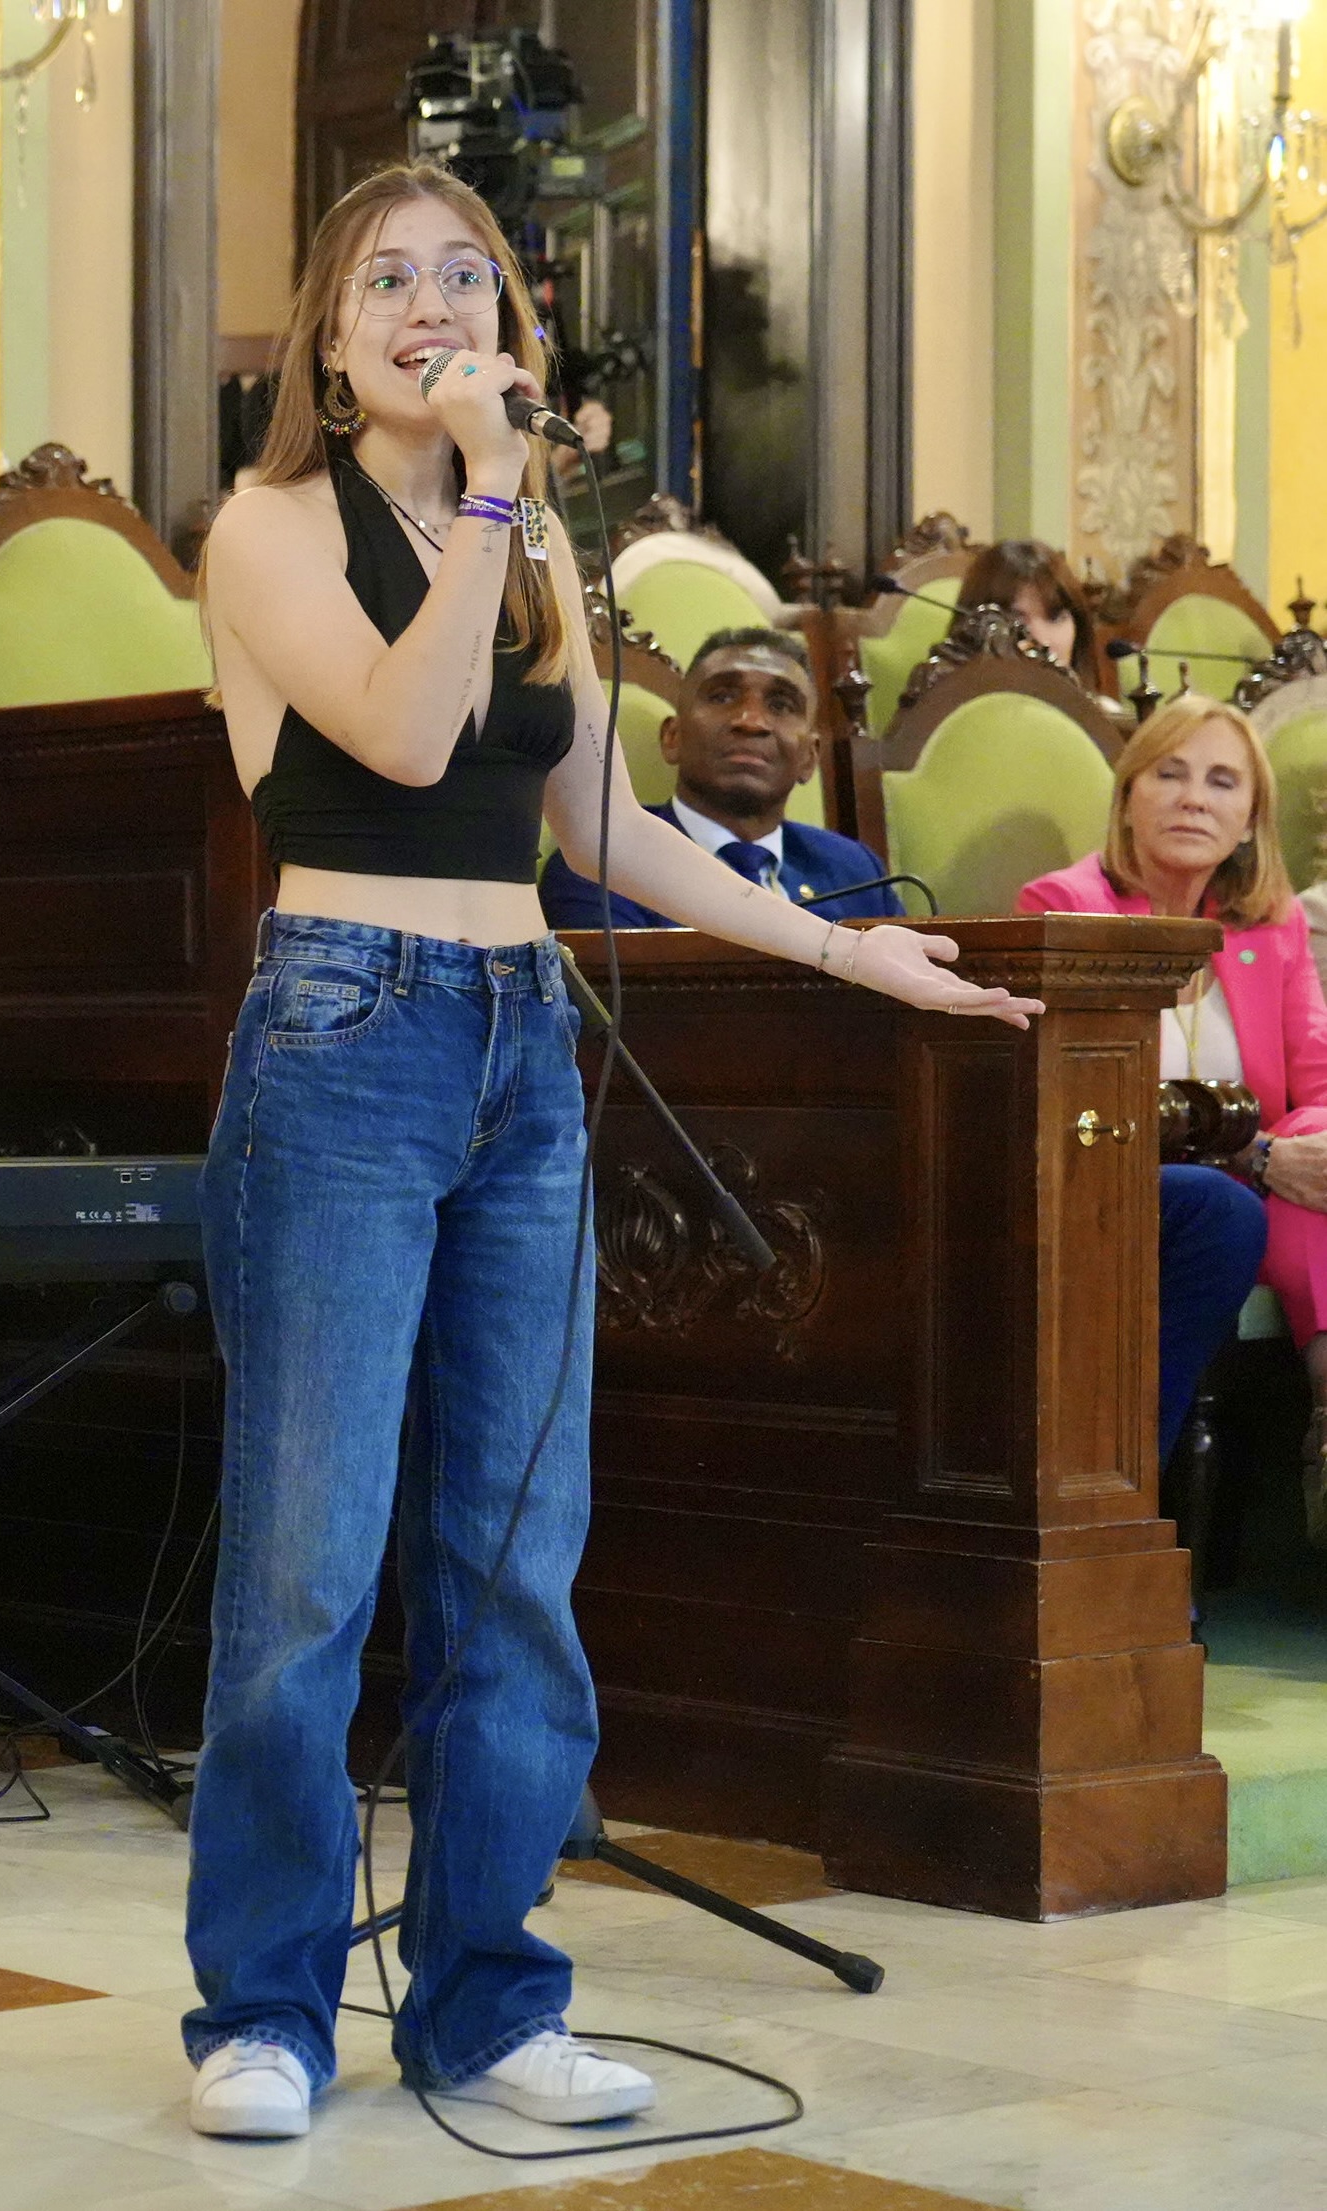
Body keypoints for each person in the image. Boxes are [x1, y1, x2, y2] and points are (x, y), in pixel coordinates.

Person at [182, 162, 1040, 2145]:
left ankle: (484, 2001)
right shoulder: (266, 528)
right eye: (380, 278)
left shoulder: (536, 544)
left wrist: (849, 950)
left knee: (513, 1562)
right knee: (304, 1569)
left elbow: (593, 830)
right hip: (338, 1039)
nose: (419, 302)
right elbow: (400, 744)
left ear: (510, 322)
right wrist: (490, 497)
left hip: (518, 1052)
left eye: (457, 276)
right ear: (325, 337)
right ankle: (264, 2007)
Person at [1022, 698, 1327, 1543]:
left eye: (1223, 781)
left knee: (1314, 1187)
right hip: (1110, 1174)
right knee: (1228, 1204)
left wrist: (1307, 1150)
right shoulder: (1064, 904)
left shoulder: (1272, 926)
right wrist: (1262, 1153)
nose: (1196, 797)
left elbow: (1318, 1077)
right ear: (1128, 798)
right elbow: (1082, 1100)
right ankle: (1116, 1519)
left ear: (1248, 822)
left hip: (1247, 1185)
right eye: (1172, 773)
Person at [537, 627, 906, 928]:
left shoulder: (856, 871)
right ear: (673, 737)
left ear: (810, 757)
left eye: (780, 705)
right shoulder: (602, 865)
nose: (750, 721)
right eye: (723, 696)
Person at [956, 539, 1111, 694]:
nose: (1042, 641)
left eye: (1055, 619)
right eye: (1016, 622)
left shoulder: (1107, 715)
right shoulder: (948, 713)